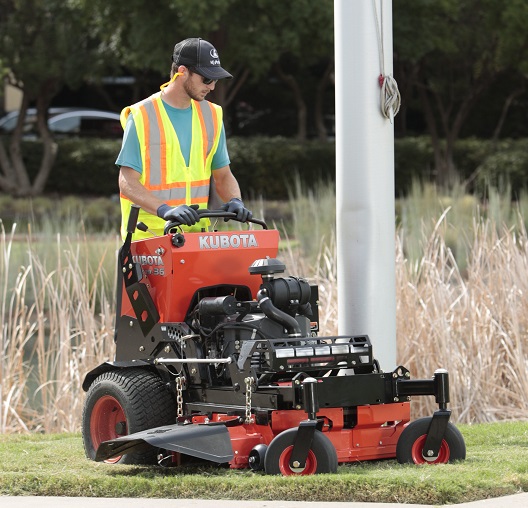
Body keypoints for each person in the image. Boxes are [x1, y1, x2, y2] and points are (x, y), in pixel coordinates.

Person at [116, 37, 252, 239]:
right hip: (149, 239)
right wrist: (164, 210)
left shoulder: (213, 115)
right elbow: (127, 181)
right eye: (206, 79)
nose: (212, 86)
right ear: (182, 71)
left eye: (215, 79)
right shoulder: (142, 115)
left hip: (196, 240)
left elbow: (223, 175)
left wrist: (235, 200)